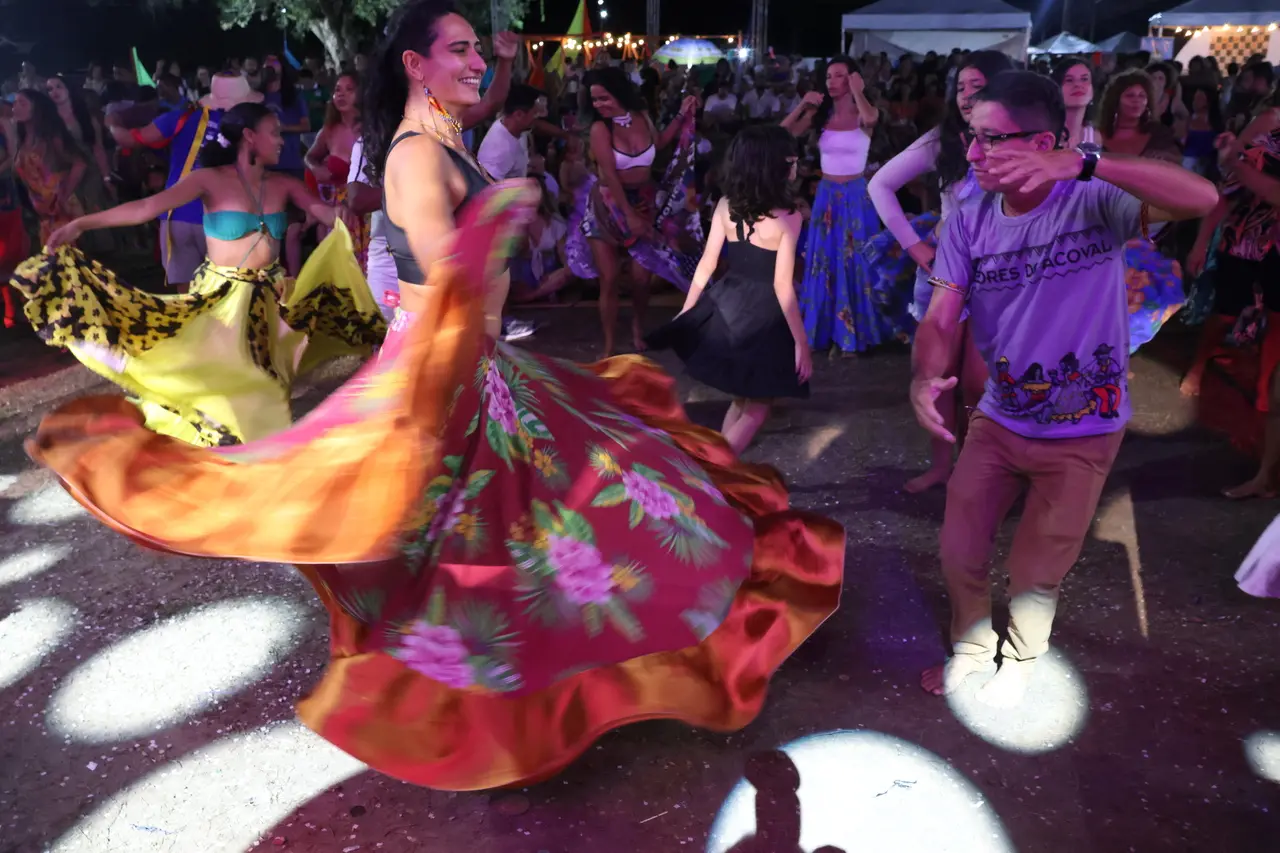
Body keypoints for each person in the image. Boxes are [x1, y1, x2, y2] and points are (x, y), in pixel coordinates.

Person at [18, 0, 844, 792]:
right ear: (416, 63)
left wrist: (506, 98)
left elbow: (484, 122)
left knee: (546, 508)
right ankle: (479, 703)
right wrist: (501, 220)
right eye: (460, 48)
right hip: (445, 368)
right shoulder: (414, 154)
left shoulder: (444, 133)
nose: (476, 59)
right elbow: (449, 274)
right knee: (481, 528)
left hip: (482, 363)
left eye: (476, 48)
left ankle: (530, 673)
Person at [911, 71, 1216, 706]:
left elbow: (1201, 197)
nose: (973, 152)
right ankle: (971, 647)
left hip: (1085, 427)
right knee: (960, 546)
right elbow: (941, 316)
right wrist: (923, 377)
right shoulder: (968, 219)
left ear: (1043, 142)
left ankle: (1021, 660)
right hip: (1000, 416)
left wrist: (1084, 162)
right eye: (971, 136)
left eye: (991, 138)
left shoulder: (1095, 198)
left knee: (1037, 569)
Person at [10, 101, 386, 446]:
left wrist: (344, 212)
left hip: (268, 304)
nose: (281, 141)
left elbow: (324, 212)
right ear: (249, 137)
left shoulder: (284, 184)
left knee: (266, 383)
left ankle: (253, 449)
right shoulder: (208, 180)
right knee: (235, 380)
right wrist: (81, 224)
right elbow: (145, 208)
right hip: (222, 302)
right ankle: (250, 449)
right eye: (274, 132)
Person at [865, 50, 1012, 493]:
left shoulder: (1019, 136)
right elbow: (880, 184)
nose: (966, 96)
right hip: (948, 269)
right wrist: (914, 245)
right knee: (936, 377)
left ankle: (978, 469)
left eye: (977, 86)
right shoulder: (943, 139)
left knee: (980, 382)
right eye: (960, 87)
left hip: (1002, 274)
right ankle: (942, 467)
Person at [646, 125, 811, 453]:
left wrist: (688, 309)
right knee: (759, 406)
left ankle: (718, 459)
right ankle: (717, 470)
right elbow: (783, 285)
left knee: (741, 397)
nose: (796, 166)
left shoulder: (725, 204)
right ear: (773, 167)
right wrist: (801, 342)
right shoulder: (789, 217)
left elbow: (707, 264)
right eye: (791, 160)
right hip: (765, 316)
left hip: (729, 304)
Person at [580, 66, 701, 355]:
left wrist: (682, 114)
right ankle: (609, 345)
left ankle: (637, 328)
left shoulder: (642, 116)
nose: (599, 105)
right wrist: (628, 214)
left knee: (641, 278)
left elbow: (660, 143)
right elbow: (610, 175)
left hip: (645, 200)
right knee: (609, 278)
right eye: (594, 100)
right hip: (608, 204)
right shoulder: (600, 129)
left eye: (604, 98)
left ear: (619, 93)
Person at [105, 73, 258, 292]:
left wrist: (112, 123)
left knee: (187, 298)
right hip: (226, 220)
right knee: (229, 294)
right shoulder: (251, 130)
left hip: (178, 215)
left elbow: (130, 139)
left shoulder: (181, 118)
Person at [782, 57, 892, 355]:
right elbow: (781, 134)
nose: (832, 81)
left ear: (852, 78)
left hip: (856, 194)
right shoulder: (821, 115)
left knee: (856, 260)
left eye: (839, 75)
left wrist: (858, 91)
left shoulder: (864, 112)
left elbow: (871, 119)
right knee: (825, 260)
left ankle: (855, 335)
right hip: (826, 195)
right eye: (829, 76)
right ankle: (825, 331)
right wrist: (802, 105)